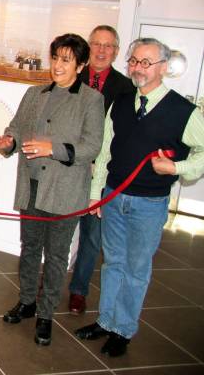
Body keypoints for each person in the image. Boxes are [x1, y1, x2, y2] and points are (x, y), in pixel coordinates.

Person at [75, 38, 204, 357]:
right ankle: (106, 321)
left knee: (136, 268)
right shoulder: (120, 102)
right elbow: (106, 150)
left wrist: (177, 166)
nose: (137, 68)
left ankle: (123, 330)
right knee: (113, 263)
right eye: (133, 61)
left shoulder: (183, 110)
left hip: (149, 204)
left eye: (145, 62)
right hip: (114, 196)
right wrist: (96, 196)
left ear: (163, 67)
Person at [0, 33, 104, 346]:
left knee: (56, 257)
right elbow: (16, 129)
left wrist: (51, 148)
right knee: (29, 248)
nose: (57, 65)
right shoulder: (33, 93)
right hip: (31, 187)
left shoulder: (91, 100)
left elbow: (91, 147)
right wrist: (8, 142)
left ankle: (45, 315)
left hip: (65, 192)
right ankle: (27, 302)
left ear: (80, 65)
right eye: (55, 58)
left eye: (66, 60)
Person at [68, 25, 135, 315]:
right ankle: (52, 278)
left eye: (108, 46)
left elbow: (124, 133)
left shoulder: (126, 88)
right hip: (68, 169)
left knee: (92, 236)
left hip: (102, 174)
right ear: (88, 47)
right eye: (96, 44)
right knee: (59, 229)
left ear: (116, 52)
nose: (101, 50)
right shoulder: (71, 77)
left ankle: (78, 290)